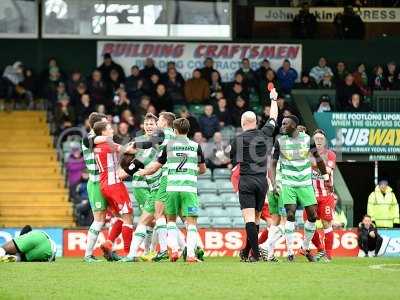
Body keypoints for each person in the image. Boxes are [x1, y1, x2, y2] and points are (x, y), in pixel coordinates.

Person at [137, 118, 207, 263]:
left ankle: (174, 250)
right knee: (191, 222)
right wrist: (191, 171)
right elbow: (203, 170)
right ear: (188, 131)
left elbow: (155, 167)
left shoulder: (168, 146)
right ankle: (191, 255)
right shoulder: (196, 146)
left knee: (171, 220)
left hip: (172, 189)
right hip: (189, 189)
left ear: (175, 131)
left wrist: (143, 172)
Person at [229, 87, 278, 262]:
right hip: (262, 182)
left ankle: (255, 255)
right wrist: (273, 99)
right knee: (257, 219)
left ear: (243, 123)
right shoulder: (265, 133)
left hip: (247, 180)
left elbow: (233, 161)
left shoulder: (237, 140)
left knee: (249, 219)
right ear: (256, 122)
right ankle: (247, 252)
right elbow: (273, 118)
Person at [271, 115, 329, 262]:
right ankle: (290, 252)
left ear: (294, 126)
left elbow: (318, 159)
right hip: (288, 184)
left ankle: (305, 245)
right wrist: (274, 183)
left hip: (305, 184)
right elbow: (272, 163)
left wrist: (326, 178)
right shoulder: (280, 141)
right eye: (282, 124)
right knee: (290, 214)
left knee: (312, 216)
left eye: (285, 124)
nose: (282, 126)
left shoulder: (307, 139)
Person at [92, 121, 137, 257]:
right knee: (128, 216)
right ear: (103, 132)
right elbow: (129, 150)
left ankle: (108, 243)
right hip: (115, 185)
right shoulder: (108, 144)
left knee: (119, 216)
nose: (112, 129)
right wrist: (142, 145)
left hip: (104, 185)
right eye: (109, 128)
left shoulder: (96, 146)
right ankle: (129, 253)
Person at [123, 113, 162, 262]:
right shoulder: (138, 141)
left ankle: (149, 251)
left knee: (151, 219)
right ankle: (149, 251)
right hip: (140, 183)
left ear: (157, 125)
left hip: (155, 181)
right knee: (150, 218)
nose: (149, 126)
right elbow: (126, 151)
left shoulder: (159, 141)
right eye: (147, 124)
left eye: (152, 124)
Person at [304, 129, 336, 262]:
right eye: (316, 139)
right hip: (310, 195)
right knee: (308, 223)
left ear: (325, 141)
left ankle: (328, 255)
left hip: (325, 194)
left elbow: (327, 170)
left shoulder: (330, 154)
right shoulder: (306, 154)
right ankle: (320, 249)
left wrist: (312, 162)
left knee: (326, 224)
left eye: (321, 139)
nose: (318, 141)